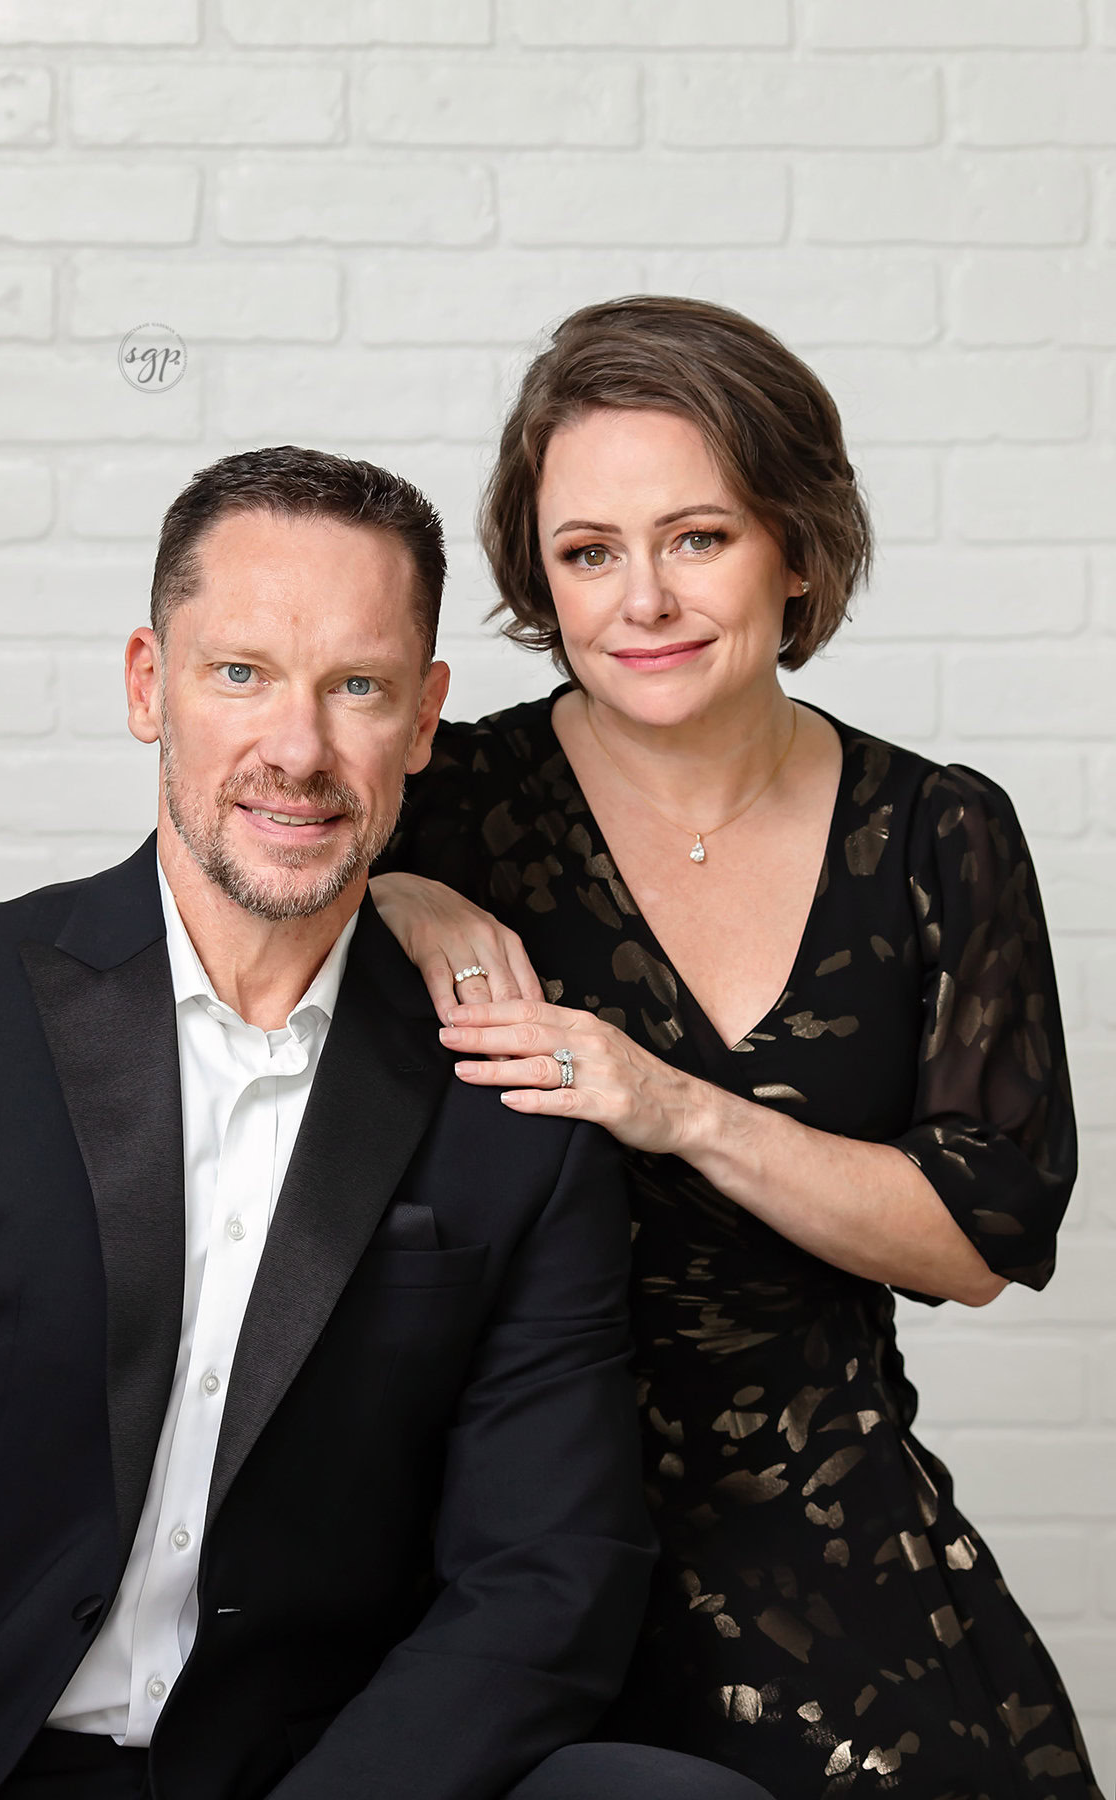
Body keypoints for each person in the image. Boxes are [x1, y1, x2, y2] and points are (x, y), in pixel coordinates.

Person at [0, 447, 775, 1800]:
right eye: (241, 673)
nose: (299, 752)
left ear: (426, 721)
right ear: (151, 686)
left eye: (358, 688)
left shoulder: (509, 1104)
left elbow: (547, 1573)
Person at [371, 297, 1101, 1799]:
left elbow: (978, 1234)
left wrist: (665, 1102)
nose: (642, 599)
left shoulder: (937, 834)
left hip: (824, 1523)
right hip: (488, 1538)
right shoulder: (439, 806)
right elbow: (225, 879)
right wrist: (395, 892)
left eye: (697, 537)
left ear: (799, 549)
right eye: (589, 554)